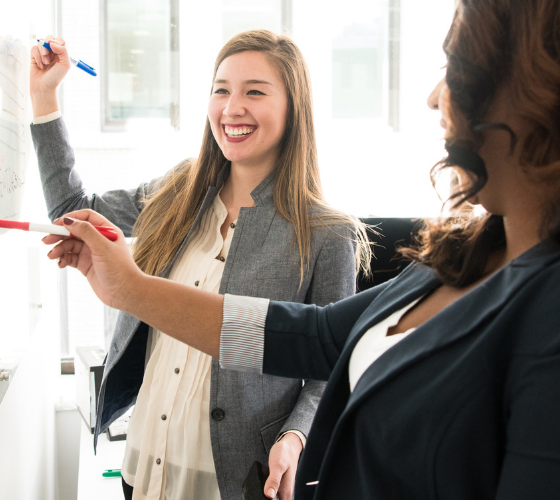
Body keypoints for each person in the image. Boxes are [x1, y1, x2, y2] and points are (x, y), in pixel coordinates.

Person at [42, 1, 560, 499]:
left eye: (452, 66)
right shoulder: (470, 254)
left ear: (537, 88)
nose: (434, 98)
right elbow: (315, 336)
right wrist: (130, 289)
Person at [28, 30, 368, 500]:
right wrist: (44, 95)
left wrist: (297, 437)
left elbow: (333, 367)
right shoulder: (180, 191)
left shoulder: (327, 233)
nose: (232, 108)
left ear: (294, 107)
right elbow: (72, 206)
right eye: (221, 90)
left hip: (233, 480)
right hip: (143, 466)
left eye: (254, 91)